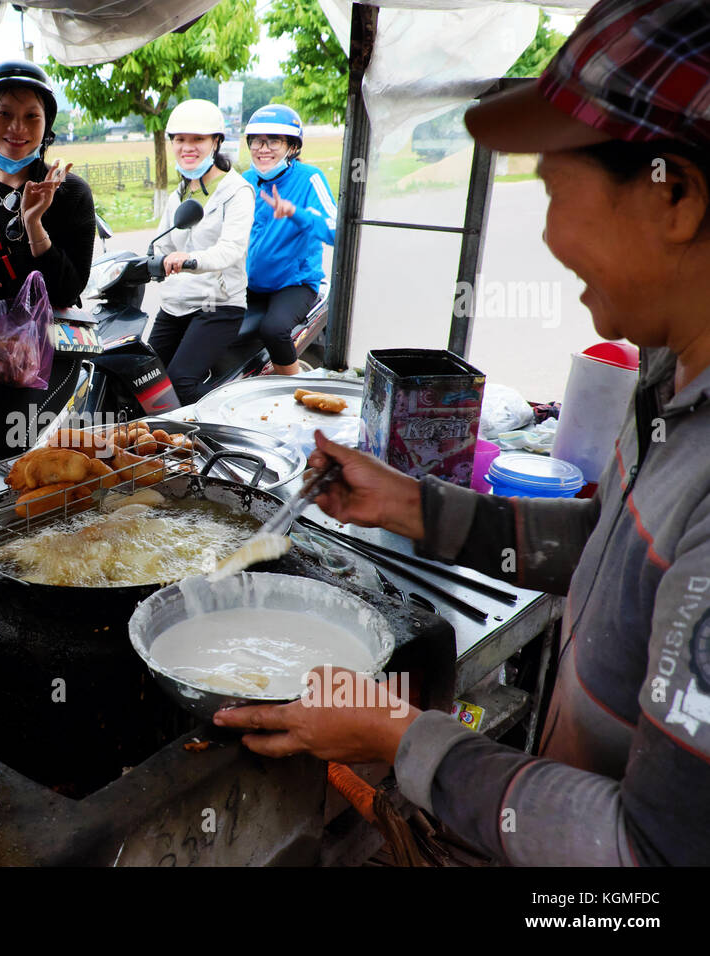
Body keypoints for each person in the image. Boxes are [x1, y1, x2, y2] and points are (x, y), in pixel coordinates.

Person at [215, 0, 710, 866]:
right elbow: (613, 554)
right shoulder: (674, 385)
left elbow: (649, 861)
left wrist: (402, 735)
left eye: (556, 189)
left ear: (676, 196)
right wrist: (417, 504)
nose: (551, 235)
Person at [0, 61, 96, 309]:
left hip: (47, 343)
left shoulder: (72, 192)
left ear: (46, 125)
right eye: (4, 114)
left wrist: (34, 226)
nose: (18, 127)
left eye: (32, 116)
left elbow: (67, 293)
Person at [147, 99, 255, 406]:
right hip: (176, 302)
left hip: (218, 304)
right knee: (144, 377)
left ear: (216, 142)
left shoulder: (237, 191)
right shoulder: (179, 194)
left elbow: (231, 249)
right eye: (180, 139)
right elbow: (162, 244)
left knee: (181, 382)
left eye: (198, 139)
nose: (187, 147)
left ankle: (233, 415)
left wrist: (191, 261)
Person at [241, 104, 337, 376]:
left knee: (274, 329)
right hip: (251, 282)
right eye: (257, 141)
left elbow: (334, 231)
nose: (263, 148)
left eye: (274, 141)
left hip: (294, 284)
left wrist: (295, 213)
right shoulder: (245, 182)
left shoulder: (309, 179)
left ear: (292, 147)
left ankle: (294, 389)